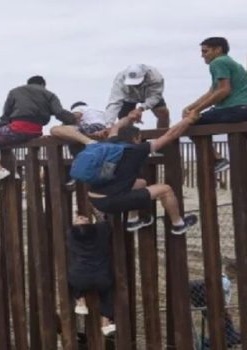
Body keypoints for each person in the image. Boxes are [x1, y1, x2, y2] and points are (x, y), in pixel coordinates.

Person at [56, 112, 198, 234]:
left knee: (141, 183)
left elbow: (117, 126)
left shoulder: (110, 143)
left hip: (94, 198)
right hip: (112, 201)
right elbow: (170, 135)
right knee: (165, 190)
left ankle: (133, 220)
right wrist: (188, 120)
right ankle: (178, 224)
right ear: (136, 138)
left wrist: (130, 117)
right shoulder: (136, 150)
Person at [183, 37, 247, 173]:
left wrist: (196, 112)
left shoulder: (218, 62)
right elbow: (212, 91)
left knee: (190, 124)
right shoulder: (231, 62)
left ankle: (217, 159)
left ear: (218, 49)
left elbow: (224, 90)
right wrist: (191, 107)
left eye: (205, 51)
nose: (202, 55)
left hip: (237, 110)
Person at [0, 75, 76, 184]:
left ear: (28, 84)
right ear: (42, 85)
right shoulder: (50, 94)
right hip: (36, 131)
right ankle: (14, 172)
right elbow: (59, 112)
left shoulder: (15, 91)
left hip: (18, 128)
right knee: (5, 145)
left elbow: (6, 115)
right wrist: (73, 119)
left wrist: (0, 129)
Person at [68, 215, 116, 336]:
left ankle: (80, 301)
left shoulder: (71, 236)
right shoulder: (101, 231)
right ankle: (105, 322)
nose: (80, 217)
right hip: (101, 276)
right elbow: (104, 221)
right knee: (107, 294)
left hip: (80, 276)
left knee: (73, 282)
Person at [106, 64, 170, 128]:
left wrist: (140, 109)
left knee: (163, 113)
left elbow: (155, 97)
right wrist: (109, 123)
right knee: (125, 119)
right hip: (129, 96)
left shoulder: (156, 77)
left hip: (149, 94)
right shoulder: (120, 80)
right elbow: (114, 102)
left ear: (145, 76)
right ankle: (127, 136)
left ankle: (163, 135)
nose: (135, 85)